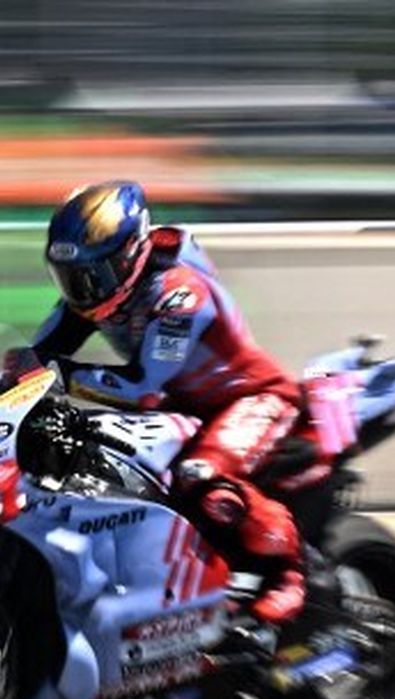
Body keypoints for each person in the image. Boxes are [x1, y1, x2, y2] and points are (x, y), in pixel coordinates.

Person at [31, 180, 306, 660]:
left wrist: (61, 375)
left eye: (95, 272)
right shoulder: (99, 293)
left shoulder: (179, 294)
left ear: (132, 251)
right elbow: (36, 360)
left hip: (251, 398)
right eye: (72, 275)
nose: (83, 288)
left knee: (201, 475)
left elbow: (143, 387)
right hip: (186, 412)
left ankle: (288, 575)